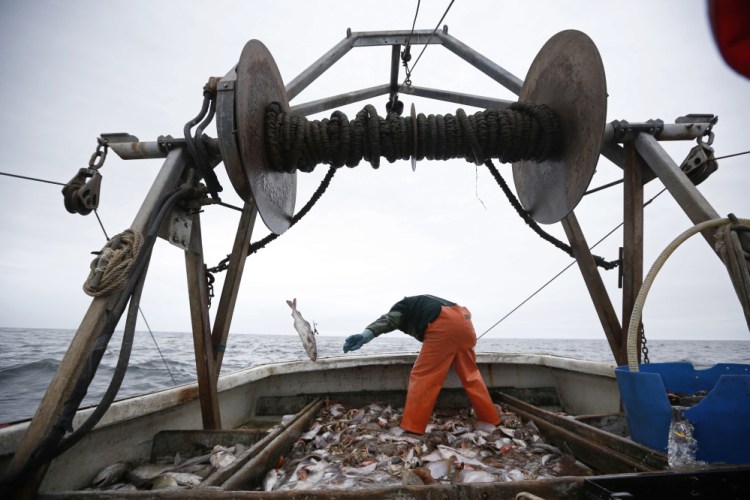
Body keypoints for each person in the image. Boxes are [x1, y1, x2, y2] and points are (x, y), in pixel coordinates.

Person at [343, 294, 500, 434]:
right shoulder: (424, 302)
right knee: (471, 376)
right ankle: (490, 419)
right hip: (465, 323)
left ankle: (413, 427)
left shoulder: (402, 308)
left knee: (423, 377)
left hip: (443, 326)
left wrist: (366, 335)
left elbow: (389, 320)